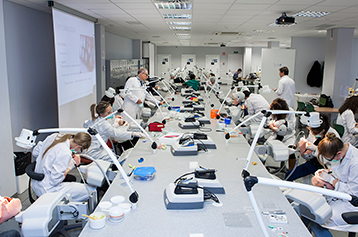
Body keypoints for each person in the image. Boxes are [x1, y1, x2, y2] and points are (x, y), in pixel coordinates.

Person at [309, 132, 358, 234]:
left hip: (351, 204)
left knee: (321, 217)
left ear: (338, 154)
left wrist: (333, 183)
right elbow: (336, 171)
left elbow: (353, 193)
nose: (329, 160)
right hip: (338, 195)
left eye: (329, 158)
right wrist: (323, 174)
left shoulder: (355, 162)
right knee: (309, 208)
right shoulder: (341, 151)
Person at [32, 132, 95, 202]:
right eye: (79, 150)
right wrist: (69, 167)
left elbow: (35, 152)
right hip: (48, 189)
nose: (78, 152)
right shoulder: (65, 153)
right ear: (78, 146)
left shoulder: (55, 136)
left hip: (36, 184)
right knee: (90, 191)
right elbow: (55, 181)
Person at [285, 114, 339, 181]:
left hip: (326, 164)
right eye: (311, 132)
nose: (313, 134)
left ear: (323, 130)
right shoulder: (315, 130)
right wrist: (304, 148)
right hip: (314, 160)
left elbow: (328, 158)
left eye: (315, 133)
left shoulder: (333, 136)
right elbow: (310, 142)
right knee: (289, 174)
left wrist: (316, 149)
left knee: (290, 175)